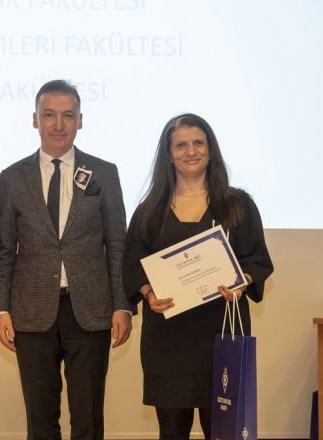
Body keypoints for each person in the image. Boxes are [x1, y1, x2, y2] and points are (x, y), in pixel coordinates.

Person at [0, 79, 133, 440]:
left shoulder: (104, 173)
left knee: (88, 419)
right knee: (40, 421)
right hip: (30, 313)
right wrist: (0, 309)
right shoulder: (12, 178)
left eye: (68, 115)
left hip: (90, 311)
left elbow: (118, 244)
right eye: (49, 115)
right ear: (35, 120)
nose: (58, 124)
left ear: (80, 120)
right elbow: (4, 250)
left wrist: (123, 305)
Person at [122, 113, 274, 439]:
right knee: (172, 430)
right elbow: (132, 266)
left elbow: (257, 261)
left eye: (198, 143)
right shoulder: (149, 210)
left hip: (221, 333)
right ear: (168, 154)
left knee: (223, 431)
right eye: (181, 145)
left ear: (210, 149)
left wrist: (242, 282)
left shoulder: (237, 205)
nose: (191, 151)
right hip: (168, 339)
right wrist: (149, 294)